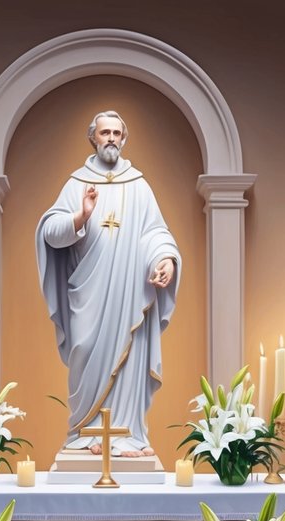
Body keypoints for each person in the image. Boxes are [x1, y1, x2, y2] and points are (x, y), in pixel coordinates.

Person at [36, 110, 181, 457]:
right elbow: (51, 234)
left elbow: (156, 233)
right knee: (85, 353)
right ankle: (84, 435)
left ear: (124, 139)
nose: (112, 138)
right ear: (93, 138)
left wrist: (165, 260)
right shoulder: (77, 184)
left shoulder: (139, 186)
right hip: (88, 293)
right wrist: (81, 215)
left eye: (117, 132)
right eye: (105, 133)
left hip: (130, 292)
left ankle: (128, 435)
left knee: (129, 359)